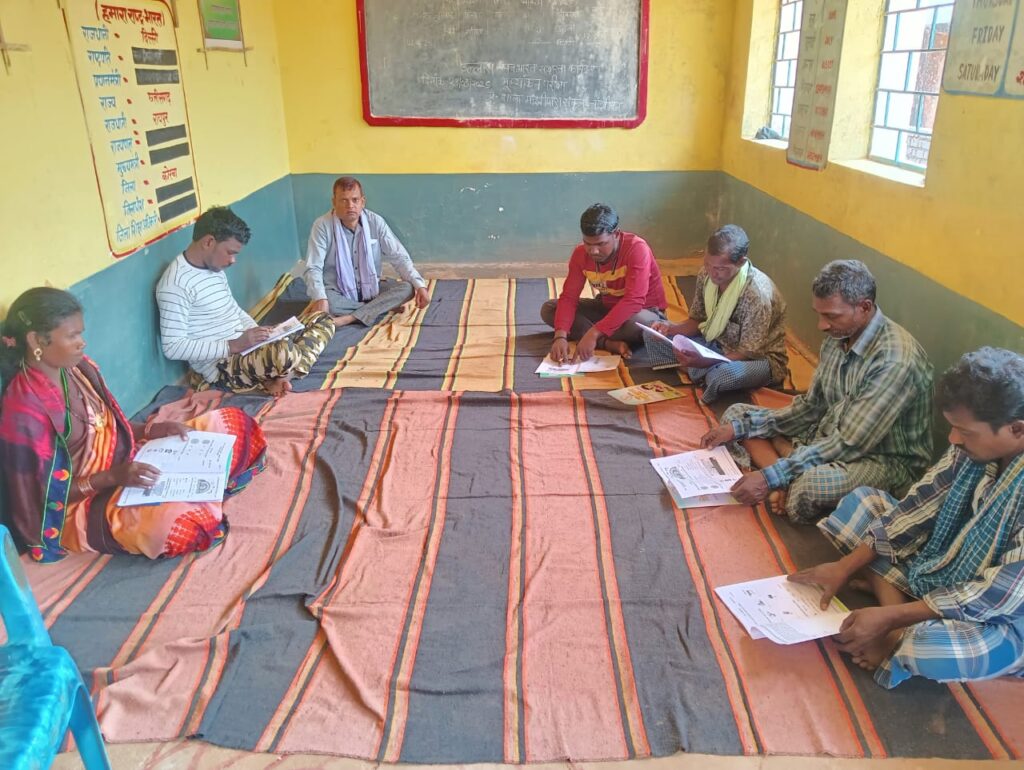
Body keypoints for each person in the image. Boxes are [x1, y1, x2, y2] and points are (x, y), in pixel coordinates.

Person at [790, 348, 1024, 689]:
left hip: (1005, 614)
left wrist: (892, 620)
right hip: (945, 564)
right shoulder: (971, 448)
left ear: (1017, 429)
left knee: (932, 649)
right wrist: (843, 567)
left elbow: (999, 596)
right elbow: (917, 506)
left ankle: (896, 622)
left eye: (965, 432)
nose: (953, 440)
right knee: (862, 503)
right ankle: (895, 611)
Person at [0, 288, 267, 562]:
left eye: (81, 334)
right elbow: (42, 495)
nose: (82, 343)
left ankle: (200, 489)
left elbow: (108, 425)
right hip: (84, 502)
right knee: (180, 526)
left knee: (234, 424)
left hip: (129, 463)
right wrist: (113, 477)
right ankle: (201, 493)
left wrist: (152, 430)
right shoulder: (25, 409)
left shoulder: (78, 368)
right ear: (36, 340)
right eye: (72, 336)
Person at [702, 259, 933, 522]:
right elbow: (811, 408)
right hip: (828, 432)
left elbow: (849, 444)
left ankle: (786, 467)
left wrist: (768, 478)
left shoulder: (894, 361)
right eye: (819, 314)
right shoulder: (838, 338)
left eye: (831, 316)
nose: (822, 325)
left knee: (811, 487)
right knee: (736, 417)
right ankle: (786, 466)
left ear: (864, 307)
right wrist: (741, 429)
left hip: (881, 459)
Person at [156, 206, 335, 396]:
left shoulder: (214, 268)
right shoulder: (175, 284)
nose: (233, 260)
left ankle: (281, 377)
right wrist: (233, 345)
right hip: (223, 366)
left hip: (248, 348)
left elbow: (233, 310)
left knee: (322, 319)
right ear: (208, 242)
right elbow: (173, 347)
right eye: (230, 252)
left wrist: (262, 335)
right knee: (284, 353)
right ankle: (282, 373)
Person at [651, 224, 788, 403]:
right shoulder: (706, 275)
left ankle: (697, 370)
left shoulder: (756, 295)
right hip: (714, 343)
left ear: (741, 262)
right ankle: (699, 370)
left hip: (757, 359)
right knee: (654, 338)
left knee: (722, 377)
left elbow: (747, 352)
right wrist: (670, 328)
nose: (712, 272)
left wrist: (705, 361)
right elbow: (697, 320)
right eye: (708, 264)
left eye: (721, 268)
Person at [541, 203, 667, 363]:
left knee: (643, 325)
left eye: (601, 244)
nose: (593, 251)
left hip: (641, 312)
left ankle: (595, 337)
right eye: (588, 243)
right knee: (550, 309)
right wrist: (560, 336)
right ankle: (606, 343)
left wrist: (593, 333)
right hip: (607, 309)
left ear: (616, 234)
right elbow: (569, 298)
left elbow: (634, 300)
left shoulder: (636, 248)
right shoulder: (580, 254)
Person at [304, 176, 430, 327]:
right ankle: (379, 308)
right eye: (343, 200)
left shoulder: (375, 222)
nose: (350, 206)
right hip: (338, 291)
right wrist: (321, 299)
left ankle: (348, 318)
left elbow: (399, 257)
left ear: (362, 202)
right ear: (334, 202)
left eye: (355, 200)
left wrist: (420, 285)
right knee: (329, 303)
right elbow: (313, 267)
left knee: (408, 289)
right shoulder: (322, 226)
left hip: (372, 288)